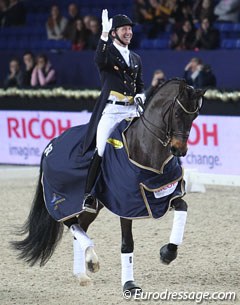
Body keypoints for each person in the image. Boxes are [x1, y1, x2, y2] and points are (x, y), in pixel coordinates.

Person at [82, 9, 145, 213]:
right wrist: (102, 35)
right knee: (101, 148)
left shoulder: (136, 57)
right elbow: (98, 60)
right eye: (124, 29)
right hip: (113, 110)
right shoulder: (107, 53)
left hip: (132, 110)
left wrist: (141, 95)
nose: (128, 32)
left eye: (130, 29)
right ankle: (89, 195)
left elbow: (140, 84)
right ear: (114, 33)